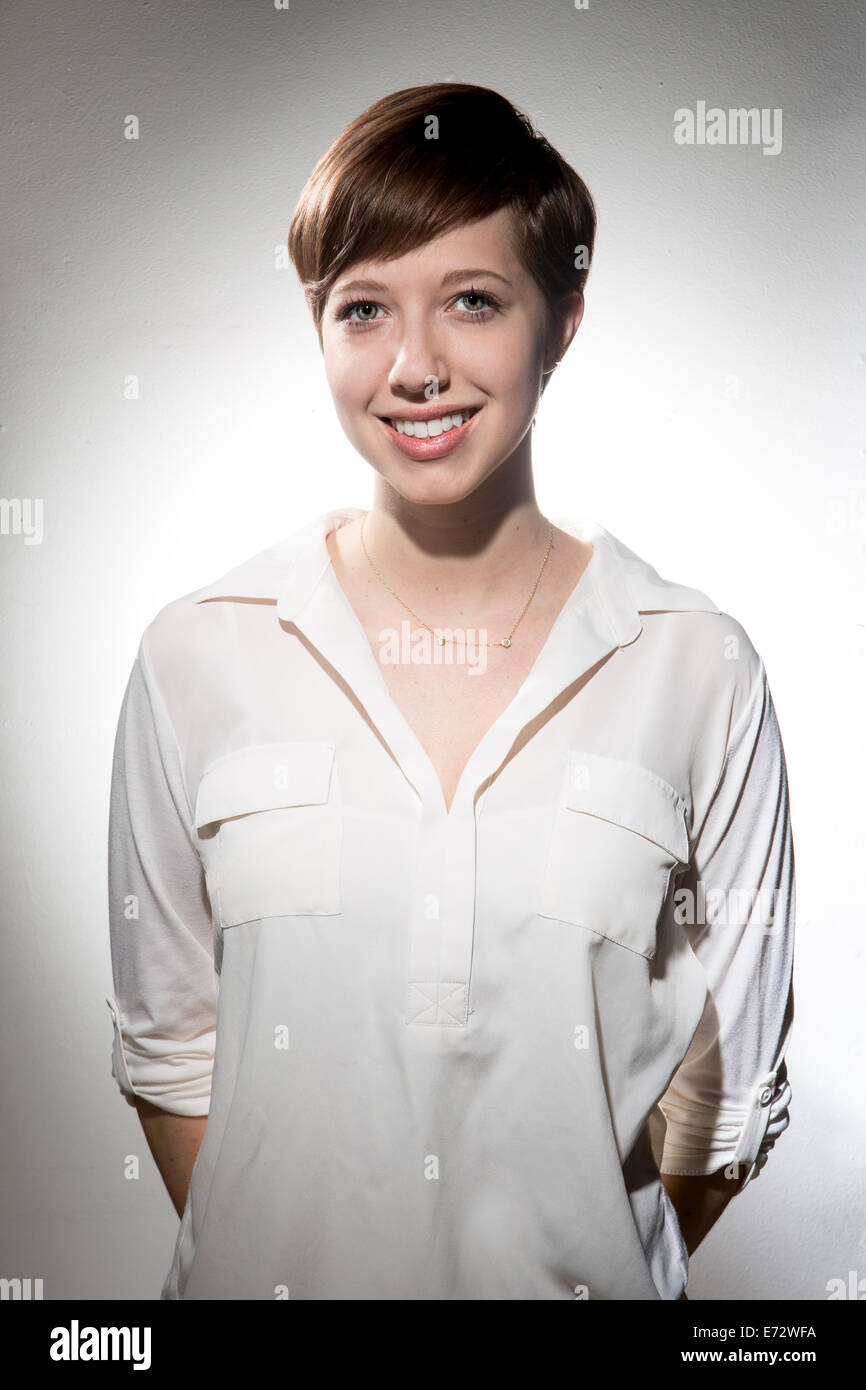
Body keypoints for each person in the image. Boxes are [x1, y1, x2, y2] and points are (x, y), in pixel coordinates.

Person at [105, 82, 795, 1300]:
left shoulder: (697, 668)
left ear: (563, 317)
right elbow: (172, 1055)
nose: (413, 367)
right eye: (362, 309)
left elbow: (726, 1091)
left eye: (471, 301)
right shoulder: (195, 655)